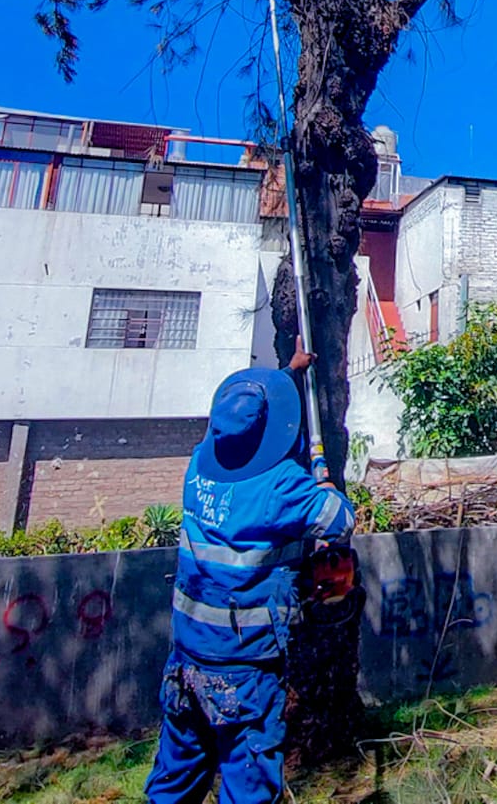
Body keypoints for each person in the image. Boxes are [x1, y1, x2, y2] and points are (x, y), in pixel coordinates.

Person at [144, 341, 355, 804]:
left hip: (186, 658)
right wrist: (320, 479)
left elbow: (242, 424)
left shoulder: (200, 464)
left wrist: (289, 373)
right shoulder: (284, 488)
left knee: (176, 776)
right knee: (248, 784)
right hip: (244, 668)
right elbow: (340, 520)